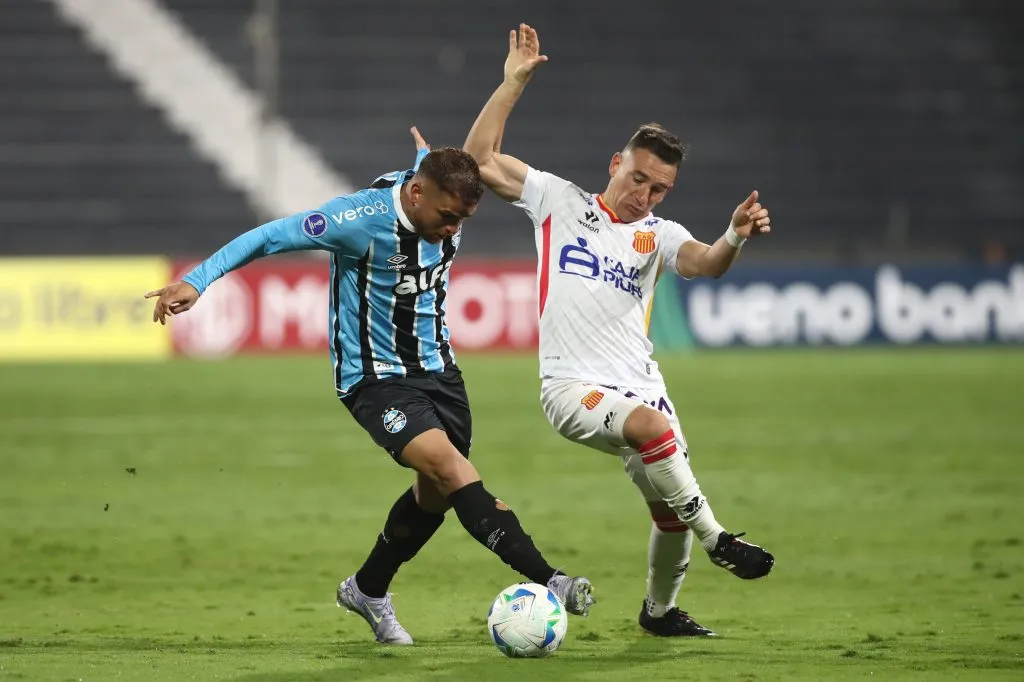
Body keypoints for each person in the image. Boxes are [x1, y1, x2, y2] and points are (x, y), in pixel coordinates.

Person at [144, 130, 594, 646]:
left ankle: (367, 589)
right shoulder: (357, 221)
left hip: (440, 371)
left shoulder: (433, 190)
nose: (453, 229)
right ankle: (552, 580)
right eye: (447, 216)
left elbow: (434, 168)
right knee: (451, 470)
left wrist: (428, 153)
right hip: (375, 379)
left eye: (463, 220)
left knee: (436, 495)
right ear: (417, 194)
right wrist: (198, 280)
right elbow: (270, 236)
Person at [460, 25, 774, 637]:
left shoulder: (660, 234)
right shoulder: (558, 201)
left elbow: (707, 264)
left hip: (642, 385)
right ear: (616, 164)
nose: (645, 195)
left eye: (660, 188)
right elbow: (478, 160)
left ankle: (659, 613)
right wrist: (512, 82)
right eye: (639, 179)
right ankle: (720, 539)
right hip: (572, 386)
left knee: (669, 511)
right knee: (657, 438)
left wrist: (734, 234)